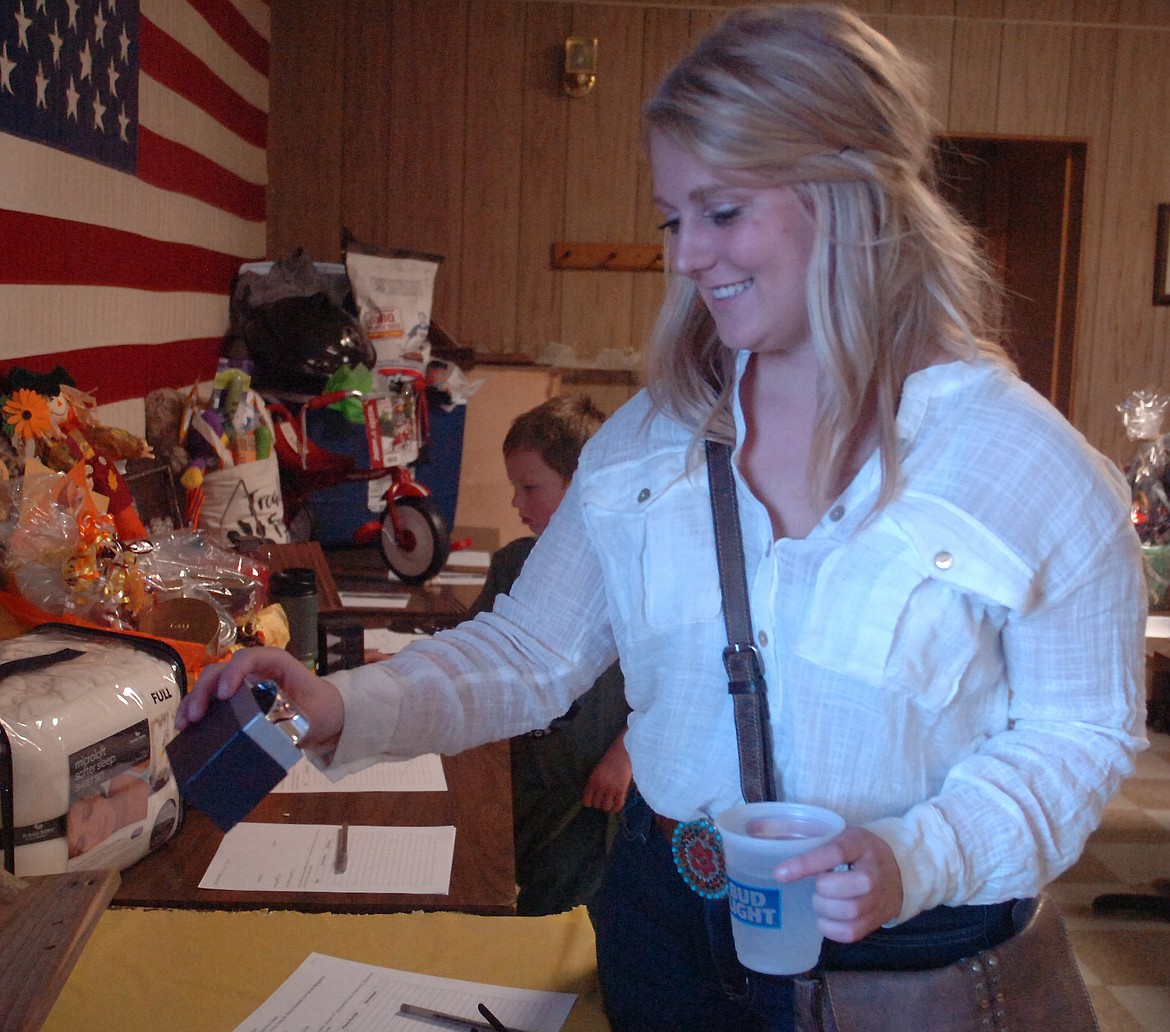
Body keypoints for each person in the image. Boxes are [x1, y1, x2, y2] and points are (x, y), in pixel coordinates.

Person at [177, 5, 1147, 1029]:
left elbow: (1077, 736)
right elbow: (532, 650)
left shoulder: (1032, 471)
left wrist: (919, 859)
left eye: (722, 211)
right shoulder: (649, 441)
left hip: (906, 960)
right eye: (673, 218)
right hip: (662, 920)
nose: (686, 257)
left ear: (854, 193)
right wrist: (338, 706)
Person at [466, 395, 631, 916]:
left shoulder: (636, 578)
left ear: (584, 485)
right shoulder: (514, 564)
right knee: (506, 887)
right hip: (521, 776)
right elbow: (474, 646)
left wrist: (627, 753)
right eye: (516, 487)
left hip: (590, 790)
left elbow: (682, 687)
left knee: (565, 909)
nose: (517, 504)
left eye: (530, 487)